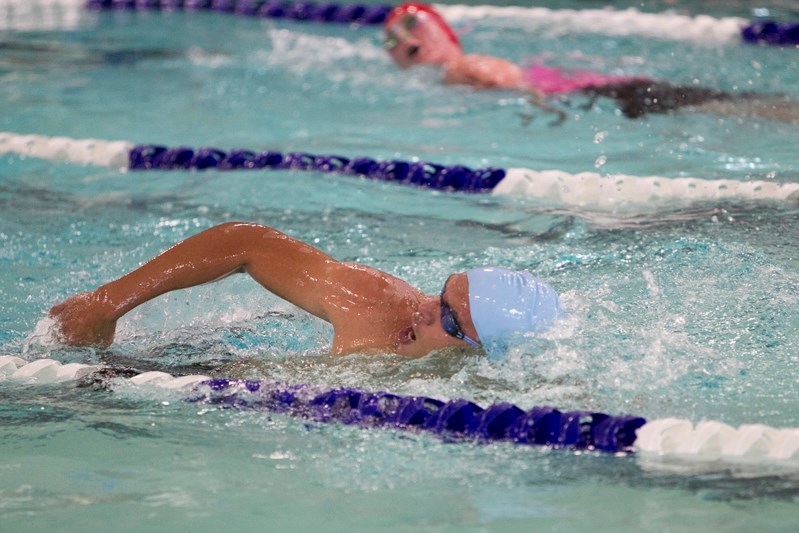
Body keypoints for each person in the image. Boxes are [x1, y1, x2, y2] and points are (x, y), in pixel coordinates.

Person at [48, 222, 560, 359]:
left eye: (449, 321)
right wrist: (106, 302)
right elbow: (246, 243)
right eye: (440, 294)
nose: (425, 310)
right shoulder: (377, 303)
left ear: (482, 353)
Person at [383, 2, 799, 123]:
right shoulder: (456, 67)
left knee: (728, 106)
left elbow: (507, 78)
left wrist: (536, 101)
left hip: (603, 92)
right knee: (723, 104)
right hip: (604, 89)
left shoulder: (461, 67)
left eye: (407, 41)